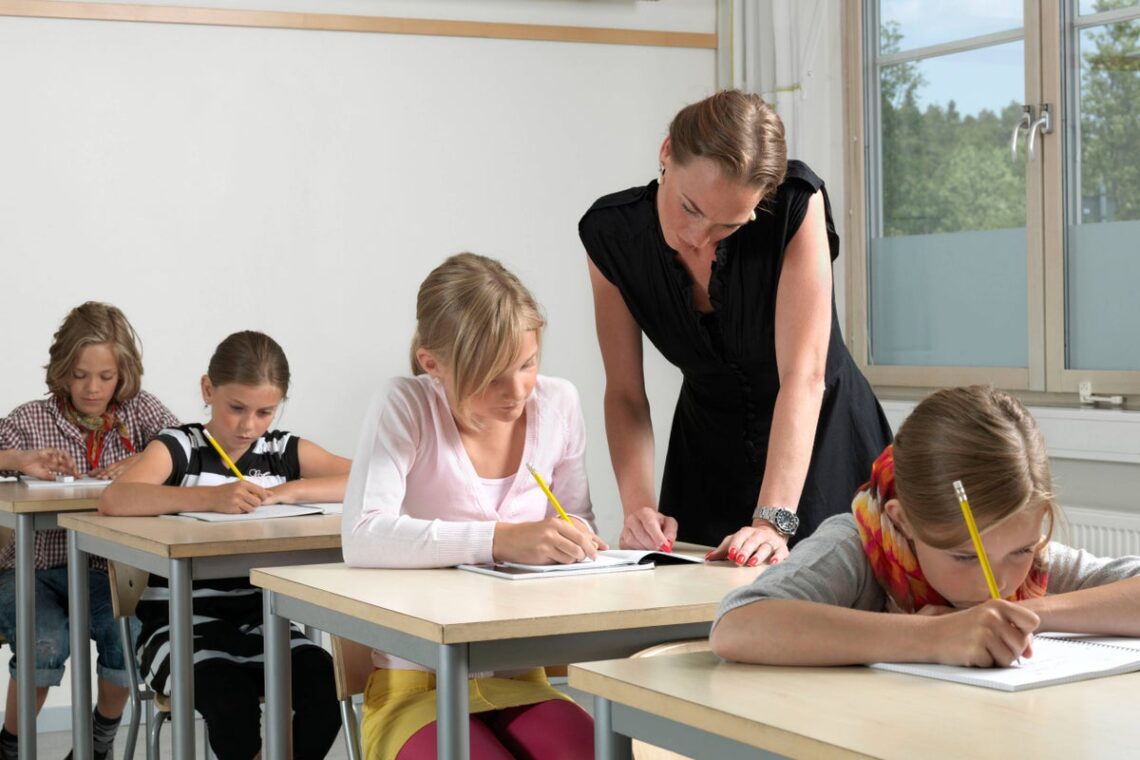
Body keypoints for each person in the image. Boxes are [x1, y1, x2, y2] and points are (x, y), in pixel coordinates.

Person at [579, 89, 891, 567]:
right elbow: (624, 393)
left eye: (729, 226)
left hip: (821, 440)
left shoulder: (794, 204)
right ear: (667, 152)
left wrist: (771, 522)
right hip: (706, 455)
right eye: (690, 208)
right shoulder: (611, 236)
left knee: (824, 600)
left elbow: (804, 376)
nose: (698, 237)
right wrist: (639, 507)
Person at [343, 252, 599, 760]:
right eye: (492, 376)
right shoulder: (407, 405)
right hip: (416, 689)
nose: (518, 391)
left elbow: (578, 521)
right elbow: (362, 535)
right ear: (432, 365)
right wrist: (501, 539)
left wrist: (575, 538)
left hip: (524, 678)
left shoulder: (559, 403)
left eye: (528, 363)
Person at [710, 385, 1140, 668]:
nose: (997, 583)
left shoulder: (1030, 565)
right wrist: (934, 636)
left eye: (1021, 551)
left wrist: (1023, 616)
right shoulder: (854, 546)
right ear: (904, 520)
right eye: (964, 556)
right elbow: (738, 625)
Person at [100, 330, 346, 760]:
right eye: (236, 408)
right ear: (208, 390)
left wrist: (290, 490)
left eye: (264, 412)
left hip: (262, 621)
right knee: (231, 706)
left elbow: (366, 479)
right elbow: (116, 498)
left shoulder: (280, 451)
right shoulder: (181, 446)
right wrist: (209, 498)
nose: (248, 425)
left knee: (328, 690)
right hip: (178, 626)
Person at [0, 301, 178, 760]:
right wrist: (19, 460)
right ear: (62, 370)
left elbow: (190, 448)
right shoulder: (30, 420)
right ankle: (11, 747)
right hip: (28, 569)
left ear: (123, 373)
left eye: (105, 376)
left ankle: (96, 746)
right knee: (46, 642)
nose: (93, 388)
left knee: (129, 634)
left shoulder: (140, 413)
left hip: (103, 569)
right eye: (80, 375)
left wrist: (144, 460)